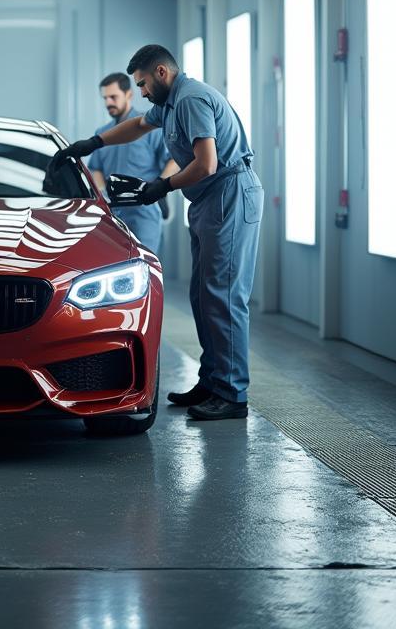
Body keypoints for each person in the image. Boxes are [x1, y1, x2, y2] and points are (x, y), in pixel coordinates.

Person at [52, 44, 263, 421]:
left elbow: (208, 163)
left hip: (229, 193)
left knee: (225, 296)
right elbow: (137, 126)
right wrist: (94, 143)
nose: (143, 92)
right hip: (208, 200)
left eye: (143, 83)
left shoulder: (191, 99)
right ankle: (213, 381)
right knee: (204, 295)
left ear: (162, 73)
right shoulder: (169, 103)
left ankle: (232, 394)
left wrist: (161, 187)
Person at [86, 72, 173, 256]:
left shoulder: (150, 127)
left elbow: (174, 160)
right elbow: (95, 167)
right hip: (112, 214)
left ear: (128, 94)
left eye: (113, 97)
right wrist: (102, 193)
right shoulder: (102, 133)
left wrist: (160, 185)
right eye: (105, 98)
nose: (108, 102)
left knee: (145, 265)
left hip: (143, 211)